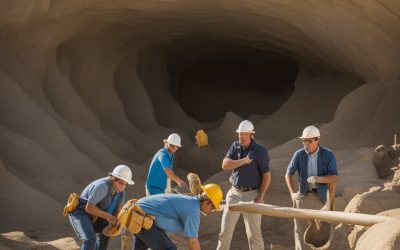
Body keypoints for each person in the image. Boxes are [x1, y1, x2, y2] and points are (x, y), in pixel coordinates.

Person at [217, 120, 271, 250]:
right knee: (225, 232)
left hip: (253, 195)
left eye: (244, 134)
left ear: (251, 135)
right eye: (240, 134)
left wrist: (260, 197)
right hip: (234, 194)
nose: (241, 137)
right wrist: (243, 161)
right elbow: (225, 165)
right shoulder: (235, 146)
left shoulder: (260, 151)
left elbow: (267, 176)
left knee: (254, 234)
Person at [285, 126, 338, 250]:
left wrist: (318, 179)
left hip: (322, 199)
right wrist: (293, 194)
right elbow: (288, 175)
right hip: (303, 198)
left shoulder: (328, 154)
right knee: (300, 233)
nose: (306, 144)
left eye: (309, 141)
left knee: (324, 236)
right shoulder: (298, 154)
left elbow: (334, 178)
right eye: (304, 141)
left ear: (317, 140)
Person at [133, 183, 224, 250]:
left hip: (137, 216)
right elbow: (192, 241)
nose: (210, 211)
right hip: (142, 218)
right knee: (169, 248)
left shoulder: (190, 202)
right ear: (206, 201)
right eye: (212, 208)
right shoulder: (193, 210)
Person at [68, 165, 135, 250]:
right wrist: (109, 217)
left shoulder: (121, 192)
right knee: (90, 240)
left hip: (98, 216)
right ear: (113, 178)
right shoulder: (102, 186)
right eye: (121, 183)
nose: (123, 187)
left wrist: (116, 225)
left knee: (105, 234)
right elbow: (89, 207)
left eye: (125, 184)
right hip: (81, 213)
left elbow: (118, 211)